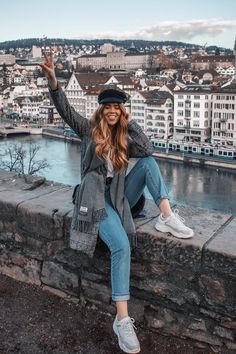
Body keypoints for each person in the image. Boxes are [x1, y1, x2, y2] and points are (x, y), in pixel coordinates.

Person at [40, 49, 194, 354]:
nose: (112, 111)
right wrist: (54, 82)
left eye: (117, 107)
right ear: (101, 110)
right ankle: (123, 321)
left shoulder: (124, 134)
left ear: (122, 110)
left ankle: (166, 214)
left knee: (148, 163)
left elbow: (147, 149)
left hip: (121, 195)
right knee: (120, 245)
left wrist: (130, 121)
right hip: (98, 198)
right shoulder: (88, 130)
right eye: (108, 107)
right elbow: (65, 109)